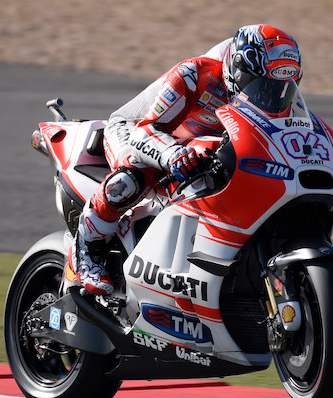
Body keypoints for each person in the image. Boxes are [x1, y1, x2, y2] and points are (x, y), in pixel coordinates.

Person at [71, 24, 303, 296]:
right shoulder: (195, 74)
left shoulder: (279, 96)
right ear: (238, 70)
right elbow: (146, 130)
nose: (268, 93)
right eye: (259, 84)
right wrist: (172, 153)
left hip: (199, 146)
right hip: (137, 129)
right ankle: (86, 250)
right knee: (133, 174)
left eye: (279, 85)